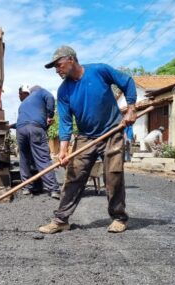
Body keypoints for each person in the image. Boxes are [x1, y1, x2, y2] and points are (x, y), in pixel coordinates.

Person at [38, 45, 137, 234]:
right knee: (74, 175)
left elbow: (127, 82)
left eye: (58, 65)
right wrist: (63, 151)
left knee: (113, 175)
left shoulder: (100, 70)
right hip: (85, 136)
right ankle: (61, 220)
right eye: (55, 68)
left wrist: (131, 108)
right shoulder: (64, 91)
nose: (57, 70)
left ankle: (119, 217)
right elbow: (65, 123)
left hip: (112, 130)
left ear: (71, 60)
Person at [16, 84, 60, 199]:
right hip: (35, 127)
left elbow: (23, 121)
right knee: (42, 158)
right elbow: (50, 97)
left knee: (24, 159)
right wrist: (50, 115)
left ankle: (26, 188)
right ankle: (53, 189)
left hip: (20, 130)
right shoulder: (40, 91)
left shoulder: (23, 104)